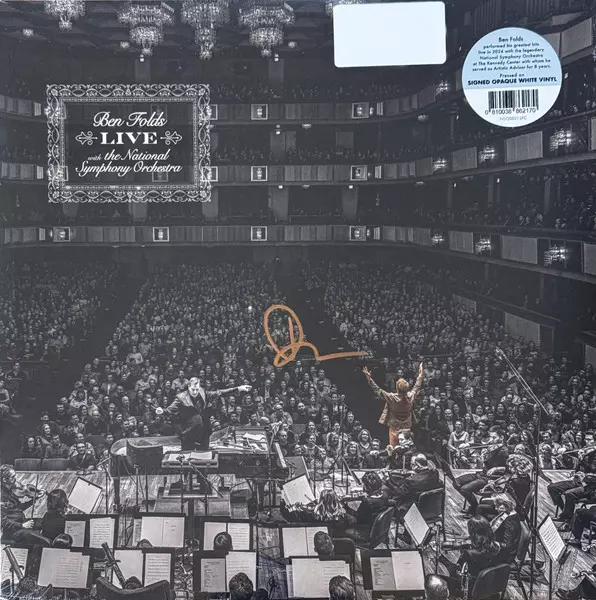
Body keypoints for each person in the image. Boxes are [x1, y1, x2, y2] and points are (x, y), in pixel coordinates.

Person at [165, 377, 251, 450]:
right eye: (192, 390)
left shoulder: (204, 393)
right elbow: (169, 410)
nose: (195, 392)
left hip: (204, 434)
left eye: (197, 389)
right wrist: (161, 411)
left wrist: (239, 388)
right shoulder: (181, 397)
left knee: (204, 458)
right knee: (187, 458)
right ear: (188, 387)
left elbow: (221, 392)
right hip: (188, 435)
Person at [362, 363, 424, 446]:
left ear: (397, 388)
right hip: (406, 426)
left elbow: (378, 390)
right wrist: (420, 375)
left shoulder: (392, 397)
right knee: (406, 446)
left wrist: (369, 379)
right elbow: (417, 386)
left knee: (394, 448)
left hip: (394, 426)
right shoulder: (411, 396)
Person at [454, 427, 509, 516]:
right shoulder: (493, 446)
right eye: (491, 437)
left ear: (501, 437)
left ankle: (474, 507)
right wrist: (468, 445)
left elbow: (508, 469)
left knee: (464, 489)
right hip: (480, 474)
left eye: (494, 437)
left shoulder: (504, 451)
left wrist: (496, 468)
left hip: (490, 478)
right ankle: (474, 506)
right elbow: (481, 445)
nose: (491, 440)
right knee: (456, 482)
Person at [548, 446, 596, 523]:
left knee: (569, 494)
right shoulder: (588, 455)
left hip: (589, 486)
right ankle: (564, 511)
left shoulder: (590, 455)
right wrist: (576, 472)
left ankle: (566, 516)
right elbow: (581, 468)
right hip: (577, 481)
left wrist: (586, 476)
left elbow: (591, 471)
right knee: (552, 487)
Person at [490, 493, 521, 564]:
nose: (495, 508)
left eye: (498, 506)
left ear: (506, 505)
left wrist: (490, 543)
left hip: (503, 555)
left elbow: (507, 545)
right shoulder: (507, 513)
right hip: (498, 543)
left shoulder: (510, 521)